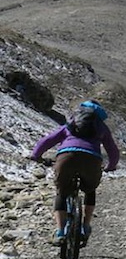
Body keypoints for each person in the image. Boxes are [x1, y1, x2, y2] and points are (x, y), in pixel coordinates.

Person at [29, 99, 120, 245]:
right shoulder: (102, 128)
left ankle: (60, 232)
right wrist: (111, 165)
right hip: (92, 160)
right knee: (90, 191)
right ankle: (85, 226)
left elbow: (48, 140)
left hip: (67, 157)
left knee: (62, 192)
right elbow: (113, 150)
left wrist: (36, 155)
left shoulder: (71, 124)